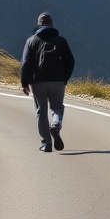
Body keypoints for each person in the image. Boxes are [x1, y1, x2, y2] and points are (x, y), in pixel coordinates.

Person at [21, 12, 75, 152]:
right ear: (51, 24)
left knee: (41, 111)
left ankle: (46, 143)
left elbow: (25, 64)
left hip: (37, 81)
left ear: (38, 24)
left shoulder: (31, 41)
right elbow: (70, 61)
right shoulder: (61, 41)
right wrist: (64, 78)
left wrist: (24, 82)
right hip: (57, 80)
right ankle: (55, 125)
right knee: (57, 107)